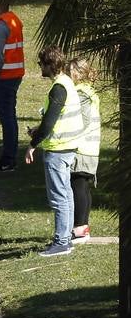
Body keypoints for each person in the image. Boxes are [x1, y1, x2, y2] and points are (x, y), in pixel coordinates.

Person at [25, 47, 82, 258]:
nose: (40, 68)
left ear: (50, 64)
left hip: (58, 149)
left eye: (41, 64)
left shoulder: (59, 87)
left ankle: (61, 243)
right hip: (68, 145)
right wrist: (39, 131)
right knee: (66, 194)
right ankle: (66, 239)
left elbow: (50, 122)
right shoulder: (67, 82)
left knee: (59, 197)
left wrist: (33, 143)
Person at [0, 0, 25, 172]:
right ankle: (10, 156)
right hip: (14, 75)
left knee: (6, 118)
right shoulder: (14, 20)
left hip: (4, 77)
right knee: (9, 116)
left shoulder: (1, 25)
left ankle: (8, 159)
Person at [69, 57, 100, 244]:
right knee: (83, 187)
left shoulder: (81, 93)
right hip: (90, 147)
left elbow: (83, 120)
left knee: (78, 186)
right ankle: (83, 227)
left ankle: (80, 229)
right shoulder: (90, 91)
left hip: (82, 147)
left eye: (70, 71)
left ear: (78, 73)